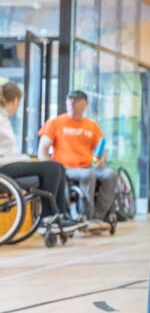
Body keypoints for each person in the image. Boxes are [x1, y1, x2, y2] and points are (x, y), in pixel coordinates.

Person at [37, 89, 117, 224]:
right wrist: (49, 167)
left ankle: (98, 216)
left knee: (111, 174)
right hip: (66, 167)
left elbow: (101, 149)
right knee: (88, 175)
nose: (71, 104)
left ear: (85, 103)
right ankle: (86, 216)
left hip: (88, 165)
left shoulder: (92, 126)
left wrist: (101, 161)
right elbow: (43, 148)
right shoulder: (55, 122)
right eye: (69, 100)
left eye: (75, 101)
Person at [0, 82, 76, 223]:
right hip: (3, 167)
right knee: (52, 168)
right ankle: (47, 216)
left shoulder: (4, 119)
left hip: (9, 163)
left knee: (58, 167)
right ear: (16, 101)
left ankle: (62, 214)